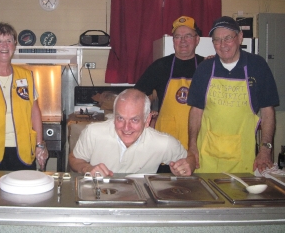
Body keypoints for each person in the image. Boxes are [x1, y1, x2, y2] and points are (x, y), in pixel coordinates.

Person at [187, 16, 279, 174]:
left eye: (228, 38)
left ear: (240, 37)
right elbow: (196, 111)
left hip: (243, 158)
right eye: (217, 40)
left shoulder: (258, 66)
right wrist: (192, 146)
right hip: (206, 158)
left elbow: (267, 111)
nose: (222, 45)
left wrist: (265, 149)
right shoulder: (204, 69)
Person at [68, 88, 196, 177]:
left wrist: (186, 167)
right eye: (120, 118)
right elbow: (74, 159)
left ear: (147, 120)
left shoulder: (163, 142)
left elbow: (190, 159)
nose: (126, 127)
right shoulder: (93, 133)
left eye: (134, 120)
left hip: (141, 207)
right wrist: (87, 168)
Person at [0, 22, 48, 171]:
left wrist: (40, 144)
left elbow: (35, 111)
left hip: (23, 149)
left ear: (15, 44)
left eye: (9, 40)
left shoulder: (26, 76)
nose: (4, 46)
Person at [135, 16, 204, 150]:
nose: (183, 41)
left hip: (198, 140)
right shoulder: (160, 66)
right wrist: (147, 114)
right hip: (166, 140)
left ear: (197, 40)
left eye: (188, 36)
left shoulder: (206, 67)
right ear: (173, 41)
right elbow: (137, 96)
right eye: (178, 36)